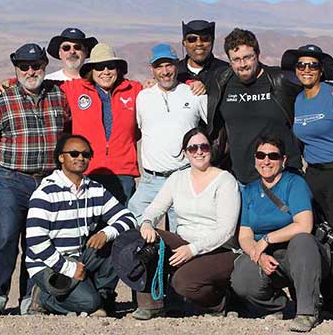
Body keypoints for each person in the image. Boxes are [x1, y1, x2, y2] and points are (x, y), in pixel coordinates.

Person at [0, 43, 71, 315]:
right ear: (16, 69)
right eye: (24, 66)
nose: (31, 71)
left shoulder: (58, 96)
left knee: (39, 241)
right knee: (4, 238)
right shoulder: (1, 101)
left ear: (44, 66)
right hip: (11, 179)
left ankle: (32, 298)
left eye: (36, 66)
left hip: (46, 181)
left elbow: (67, 133)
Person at [206, 28, 333, 186]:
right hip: (241, 181)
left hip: (283, 178)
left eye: (247, 57)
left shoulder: (281, 79)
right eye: (236, 59)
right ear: (229, 60)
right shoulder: (221, 82)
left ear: (258, 55)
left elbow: (316, 85)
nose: (242, 64)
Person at [282, 44, 333, 321]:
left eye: (312, 66)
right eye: (301, 65)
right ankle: (325, 299)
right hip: (313, 175)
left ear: (321, 70)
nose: (306, 70)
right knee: (319, 234)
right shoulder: (299, 101)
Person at [132, 128, 240, 320]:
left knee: (183, 282)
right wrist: (147, 223)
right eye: (192, 148)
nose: (199, 151)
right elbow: (155, 208)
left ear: (211, 150)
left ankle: (219, 301)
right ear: (185, 153)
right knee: (143, 240)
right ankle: (151, 304)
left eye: (204, 147)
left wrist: (193, 249)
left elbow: (226, 230)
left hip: (219, 249)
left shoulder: (225, 180)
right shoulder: (177, 178)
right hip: (184, 242)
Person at [25, 134, 137, 316]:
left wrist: (105, 234)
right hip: (49, 264)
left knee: (120, 241)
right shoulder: (45, 193)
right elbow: (36, 241)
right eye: (74, 153)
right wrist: (68, 268)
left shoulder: (95, 189)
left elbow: (128, 218)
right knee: (88, 303)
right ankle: (42, 299)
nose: (80, 158)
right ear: (61, 157)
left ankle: (102, 298)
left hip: (81, 258)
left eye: (86, 154)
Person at [230, 135, 330, 333]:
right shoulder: (249, 191)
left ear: (283, 160)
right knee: (241, 278)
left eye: (273, 156)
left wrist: (267, 239)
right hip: (269, 257)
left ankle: (307, 312)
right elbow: (245, 236)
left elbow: (304, 225)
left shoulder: (295, 184)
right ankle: (276, 305)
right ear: (255, 159)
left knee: (302, 241)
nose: (266, 161)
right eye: (261, 155)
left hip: (303, 255)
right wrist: (259, 256)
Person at [127, 44, 208, 230]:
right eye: (159, 66)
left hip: (183, 176)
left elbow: (214, 126)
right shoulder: (143, 97)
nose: (164, 71)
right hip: (151, 180)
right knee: (134, 222)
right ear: (152, 70)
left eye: (169, 65)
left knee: (181, 234)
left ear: (177, 66)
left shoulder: (194, 94)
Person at [60, 43, 143, 206]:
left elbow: (162, 87)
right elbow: (42, 84)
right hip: (87, 171)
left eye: (110, 66)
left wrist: (192, 83)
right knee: (87, 228)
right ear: (92, 70)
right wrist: (11, 81)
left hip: (123, 174)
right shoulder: (75, 89)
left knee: (122, 226)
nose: (105, 71)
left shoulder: (134, 90)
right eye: (99, 67)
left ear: (118, 69)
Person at [176, 20, 228, 88]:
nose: (199, 44)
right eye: (192, 39)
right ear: (184, 43)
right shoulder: (176, 72)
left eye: (205, 38)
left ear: (212, 41)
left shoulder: (226, 71)